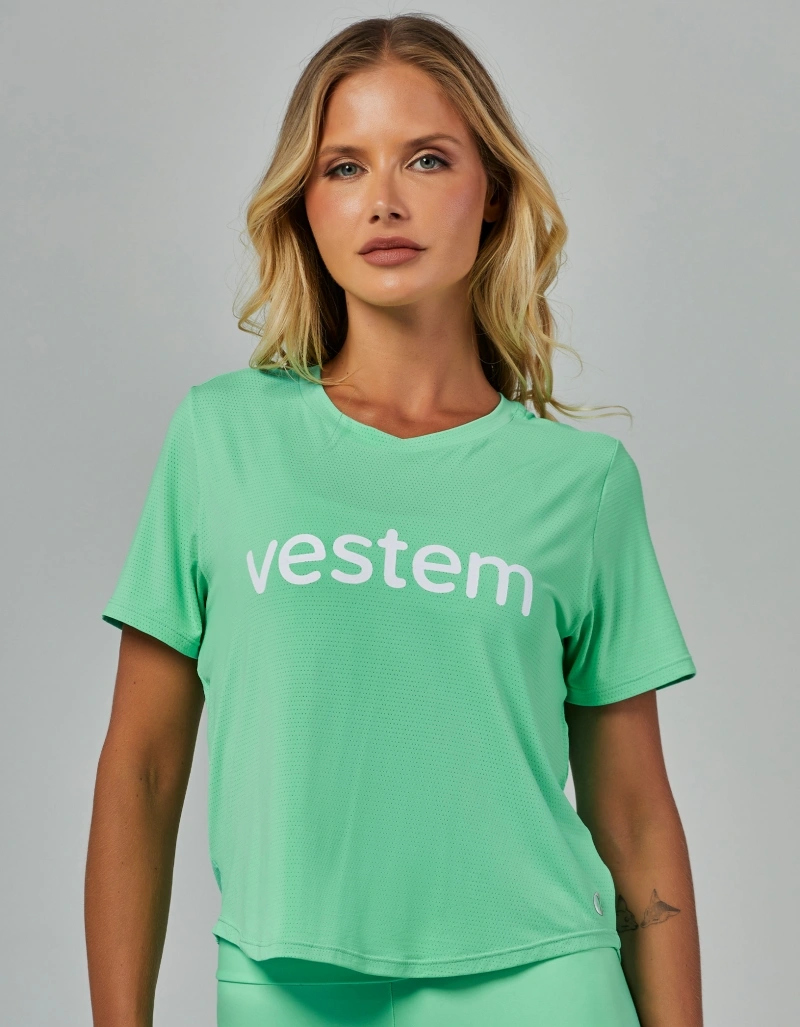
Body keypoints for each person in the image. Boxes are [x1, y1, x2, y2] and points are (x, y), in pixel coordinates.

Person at [85, 13, 703, 1027]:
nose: (383, 201)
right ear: (306, 203)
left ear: (490, 190)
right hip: (285, 989)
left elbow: (634, 818)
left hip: (542, 985)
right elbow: (142, 772)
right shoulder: (221, 439)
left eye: (426, 159)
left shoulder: (580, 484)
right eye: (343, 167)